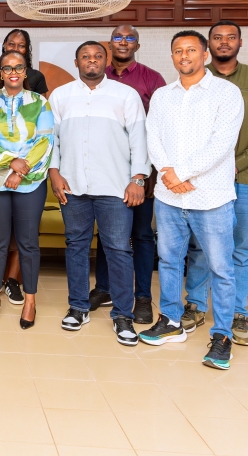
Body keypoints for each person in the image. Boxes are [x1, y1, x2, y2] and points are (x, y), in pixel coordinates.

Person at [138, 30, 244, 371]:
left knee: (221, 269)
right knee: (169, 262)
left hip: (211, 196)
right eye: (178, 51)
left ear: (204, 54)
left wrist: (180, 173)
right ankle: (170, 321)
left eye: (191, 50)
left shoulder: (226, 93)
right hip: (168, 197)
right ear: (172, 56)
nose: (184, 55)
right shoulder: (162, 96)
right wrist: (167, 174)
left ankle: (222, 336)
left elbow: (222, 144)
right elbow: (152, 137)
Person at [181, 20, 248, 345]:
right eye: (217, 37)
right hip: (204, 180)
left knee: (240, 249)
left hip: (247, 178)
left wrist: (238, 163)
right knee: (200, 246)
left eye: (231, 37)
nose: (224, 42)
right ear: (207, 45)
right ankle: (196, 305)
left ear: (240, 42)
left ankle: (238, 312)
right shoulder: (194, 79)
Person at [48, 42, 149, 345]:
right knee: (76, 247)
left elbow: (140, 140)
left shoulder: (126, 95)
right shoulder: (61, 95)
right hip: (72, 186)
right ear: (76, 62)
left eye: (97, 56)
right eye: (85, 57)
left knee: (119, 250)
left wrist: (138, 179)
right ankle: (78, 307)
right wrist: (54, 173)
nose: (91, 60)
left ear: (106, 61)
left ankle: (123, 315)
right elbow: (51, 139)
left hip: (115, 187)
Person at [0, 50, 53, 330]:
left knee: (28, 243)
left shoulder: (40, 102)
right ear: (1, 73)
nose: (13, 72)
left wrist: (19, 171)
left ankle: (30, 301)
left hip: (30, 182)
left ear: (26, 71)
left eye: (19, 67)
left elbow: (46, 142)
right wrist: (10, 164)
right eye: (7, 68)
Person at [94, 24, 167, 324]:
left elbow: (162, 126)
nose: (123, 42)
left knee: (141, 234)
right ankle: (104, 289)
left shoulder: (152, 79)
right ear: (110, 44)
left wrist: (149, 173)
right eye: (118, 37)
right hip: (106, 169)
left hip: (141, 172)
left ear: (137, 45)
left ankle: (143, 297)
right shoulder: (98, 76)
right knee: (107, 233)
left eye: (130, 38)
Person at [0, 29, 49, 95]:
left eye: (21, 46)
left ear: (26, 49)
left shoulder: (37, 76)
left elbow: (42, 104)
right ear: (5, 45)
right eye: (11, 44)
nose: (15, 49)